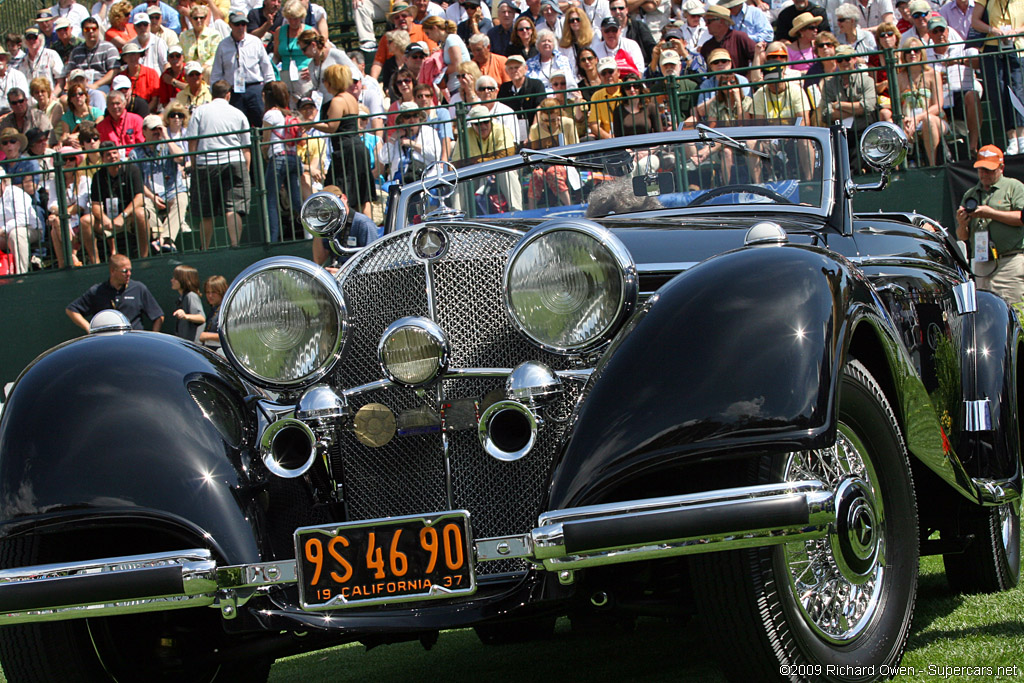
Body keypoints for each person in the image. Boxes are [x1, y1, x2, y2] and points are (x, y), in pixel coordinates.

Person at [187, 79, 251, 248]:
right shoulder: (238, 113)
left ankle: (205, 248)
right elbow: (246, 148)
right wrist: (246, 169)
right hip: (235, 161)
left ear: (211, 94)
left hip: (205, 163)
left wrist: (193, 164)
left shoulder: (200, 112)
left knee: (206, 212)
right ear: (228, 94)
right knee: (234, 207)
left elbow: (192, 141)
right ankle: (235, 244)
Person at [957, 145, 1024, 303]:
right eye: (981, 169)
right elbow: (962, 236)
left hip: (1009, 261)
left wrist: (990, 213)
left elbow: (1021, 218)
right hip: (982, 263)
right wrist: (962, 224)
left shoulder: (1014, 187)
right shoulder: (971, 194)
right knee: (986, 313)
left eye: (989, 169)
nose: (984, 174)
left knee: (1015, 308)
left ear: (1001, 167)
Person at [313, 65, 375, 217]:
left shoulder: (338, 101)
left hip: (346, 150)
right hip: (356, 147)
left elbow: (332, 127)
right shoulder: (351, 98)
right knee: (362, 195)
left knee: (336, 190)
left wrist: (309, 124)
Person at [972, 0, 1024, 154]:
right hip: (991, 49)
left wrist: (1016, 31)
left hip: (1017, 48)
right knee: (998, 92)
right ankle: (1012, 139)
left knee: (1018, 91)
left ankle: (1022, 138)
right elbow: (975, 21)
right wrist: (992, 30)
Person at [132, 113, 188, 253]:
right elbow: (137, 182)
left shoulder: (168, 146)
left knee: (182, 198)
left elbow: (181, 158)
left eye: (159, 128)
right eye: (153, 129)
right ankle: (163, 239)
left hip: (171, 191)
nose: (157, 132)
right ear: (144, 131)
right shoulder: (135, 153)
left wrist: (166, 136)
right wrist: (152, 197)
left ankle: (164, 239)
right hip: (150, 195)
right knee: (144, 206)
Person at [65, 254, 164, 331]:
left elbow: (159, 316)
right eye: (125, 271)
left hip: (134, 342)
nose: (129, 274)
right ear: (112, 271)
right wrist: (90, 329)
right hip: (108, 344)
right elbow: (71, 310)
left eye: (130, 270)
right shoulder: (97, 291)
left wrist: (152, 338)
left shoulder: (139, 288)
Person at [452, 104, 521, 211]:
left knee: (508, 172)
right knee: (459, 179)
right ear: (472, 125)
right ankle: (457, 216)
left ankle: (516, 210)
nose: (483, 126)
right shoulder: (464, 134)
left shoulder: (502, 130)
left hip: (498, 170)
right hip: (475, 173)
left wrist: (478, 161)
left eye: (486, 122)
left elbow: (507, 154)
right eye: (478, 123)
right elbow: (456, 163)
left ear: (491, 121)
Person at [929, 15, 982, 156]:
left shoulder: (962, 46)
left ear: (947, 31)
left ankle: (973, 147)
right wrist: (937, 79)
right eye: (935, 32)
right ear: (929, 35)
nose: (940, 34)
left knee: (973, 95)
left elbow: (978, 62)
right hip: (940, 98)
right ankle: (938, 158)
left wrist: (959, 61)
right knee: (932, 108)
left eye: (942, 30)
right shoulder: (925, 54)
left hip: (961, 92)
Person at [211, 11, 274, 126]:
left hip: (255, 89)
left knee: (261, 122)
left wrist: (270, 89)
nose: (241, 27)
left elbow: (266, 67)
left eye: (243, 24)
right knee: (237, 124)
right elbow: (217, 72)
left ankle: (262, 144)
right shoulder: (223, 46)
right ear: (230, 25)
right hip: (234, 91)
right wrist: (217, 94)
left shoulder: (255, 42)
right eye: (237, 24)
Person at [90, 140, 150, 257]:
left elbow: (140, 197)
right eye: (108, 154)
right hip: (108, 219)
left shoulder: (132, 169)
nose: (112, 156)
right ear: (102, 158)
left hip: (128, 216)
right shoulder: (98, 176)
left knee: (141, 213)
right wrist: (105, 219)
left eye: (114, 153)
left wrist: (123, 216)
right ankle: (94, 262)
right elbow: (95, 204)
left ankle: (144, 257)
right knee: (86, 221)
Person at [261, 81, 303, 241]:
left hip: (277, 157)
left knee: (271, 199)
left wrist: (264, 155)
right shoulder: (290, 114)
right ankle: (312, 233)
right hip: (293, 157)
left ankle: (273, 238)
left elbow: (265, 142)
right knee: (296, 200)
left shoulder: (270, 114)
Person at [897, 37, 946, 167]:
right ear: (904, 55)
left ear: (922, 53)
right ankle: (899, 171)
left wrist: (918, 118)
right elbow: (894, 106)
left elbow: (938, 105)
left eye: (916, 50)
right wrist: (904, 120)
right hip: (907, 120)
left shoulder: (933, 74)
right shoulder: (899, 77)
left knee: (929, 121)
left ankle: (933, 166)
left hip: (933, 120)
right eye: (908, 51)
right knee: (894, 126)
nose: (912, 53)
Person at [46, 145, 92, 266]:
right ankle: (71, 257)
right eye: (64, 159)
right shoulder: (54, 183)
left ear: (76, 161)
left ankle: (65, 261)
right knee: (57, 223)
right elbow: (52, 203)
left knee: (56, 224)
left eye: (71, 159)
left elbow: (80, 205)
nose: (68, 162)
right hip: (65, 222)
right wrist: (59, 214)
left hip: (80, 221)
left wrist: (60, 214)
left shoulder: (84, 180)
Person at [820, 44, 878, 135]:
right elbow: (825, 112)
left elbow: (868, 107)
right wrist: (857, 111)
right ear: (836, 62)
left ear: (854, 59)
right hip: (838, 133)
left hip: (863, 131)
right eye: (840, 60)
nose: (844, 62)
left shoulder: (867, 81)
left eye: (847, 59)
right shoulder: (829, 84)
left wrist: (839, 105)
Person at [381, 100, 441, 186]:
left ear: (419, 118)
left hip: (424, 179)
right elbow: (384, 158)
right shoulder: (397, 137)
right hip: (398, 181)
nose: (412, 119)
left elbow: (435, 155)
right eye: (407, 116)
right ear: (402, 120)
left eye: (415, 115)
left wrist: (411, 144)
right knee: (385, 188)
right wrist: (393, 138)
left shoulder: (428, 132)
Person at [0, 163, 45, 275]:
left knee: (16, 234)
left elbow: (22, 219)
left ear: (4, 182)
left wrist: (4, 229)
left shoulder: (15, 192)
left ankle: (21, 276)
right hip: (3, 235)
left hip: (29, 229)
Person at [64, 16, 119, 94]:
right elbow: (69, 73)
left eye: (94, 29)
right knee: (64, 98)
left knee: (97, 94)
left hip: (102, 85)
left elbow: (114, 71)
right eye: (87, 29)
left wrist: (96, 85)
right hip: (79, 87)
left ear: (98, 30)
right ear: (82, 32)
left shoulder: (109, 48)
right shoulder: (76, 52)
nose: (90, 32)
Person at [298, 29, 353, 106]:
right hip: (324, 104)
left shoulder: (334, 54)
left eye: (304, 49)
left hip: (341, 101)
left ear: (313, 45)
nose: (303, 53)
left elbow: (355, 73)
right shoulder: (311, 65)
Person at [423, 16, 471, 102]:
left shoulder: (451, 39)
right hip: (455, 87)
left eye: (428, 33)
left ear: (434, 28)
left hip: (460, 86)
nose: (428, 37)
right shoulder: (445, 42)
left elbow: (458, 65)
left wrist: (437, 71)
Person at [274, 0, 314, 102]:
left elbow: (319, 54)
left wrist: (312, 69)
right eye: (290, 19)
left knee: (305, 103)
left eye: (295, 19)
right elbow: (276, 55)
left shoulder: (310, 31)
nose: (293, 22)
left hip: (304, 74)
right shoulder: (280, 31)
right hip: (285, 74)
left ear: (301, 16)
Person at [498, 53, 546, 137]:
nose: (514, 70)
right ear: (507, 71)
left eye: (517, 67)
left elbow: (540, 108)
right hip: (512, 131)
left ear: (525, 68)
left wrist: (533, 133)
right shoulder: (504, 88)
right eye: (511, 68)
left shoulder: (536, 84)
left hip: (535, 129)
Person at [700, 4, 757, 70]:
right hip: (715, 80)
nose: (706, 25)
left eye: (709, 21)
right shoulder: (707, 46)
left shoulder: (740, 38)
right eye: (705, 21)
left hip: (740, 79)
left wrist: (750, 75)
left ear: (721, 21)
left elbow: (759, 55)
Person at [17, 27, 65, 97]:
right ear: (25, 41)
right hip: (30, 102)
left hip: (50, 99)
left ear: (40, 39)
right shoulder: (22, 62)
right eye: (28, 38)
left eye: (34, 38)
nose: (31, 41)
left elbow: (61, 81)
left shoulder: (51, 55)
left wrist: (53, 96)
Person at [612, 71, 662, 136]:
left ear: (640, 88)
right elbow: (618, 137)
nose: (632, 89)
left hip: (649, 145)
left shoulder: (651, 107)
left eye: (635, 86)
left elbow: (659, 132)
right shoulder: (618, 111)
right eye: (628, 87)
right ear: (623, 90)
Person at [119, 43, 161, 114]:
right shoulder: (120, 77)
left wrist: (143, 112)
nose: (133, 57)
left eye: (135, 54)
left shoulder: (151, 73)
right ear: (124, 59)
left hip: (147, 113)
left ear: (139, 55)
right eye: (129, 55)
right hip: (125, 114)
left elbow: (155, 100)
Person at [588, 56, 622, 138]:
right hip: (607, 139)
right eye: (604, 73)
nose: (608, 75)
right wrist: (609, 138)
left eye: (610, 71)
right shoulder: (596, 96)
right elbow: (594, 124)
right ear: (600, 77)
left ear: (618, 72)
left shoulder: (628, 89)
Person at [170, 264, 206, 342]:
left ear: (183, 280)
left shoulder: (191, 296)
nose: (172, 280)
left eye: (175, 278)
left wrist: (185, 316)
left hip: (194, 347)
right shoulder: (182, 298)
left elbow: (201, 318)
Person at [181, 4, 222, 68]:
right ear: (191, 19)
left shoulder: (214, 35)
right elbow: (181, 56)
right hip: (188, 68)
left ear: (205, 18)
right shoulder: (184, 36)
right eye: (195, 18)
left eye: (201, 18)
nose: (199, 20)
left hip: (206, 68)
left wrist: (202, 68)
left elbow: (215, 56)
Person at [559, 6, 594, 76]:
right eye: (571, 20)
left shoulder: (593, 38)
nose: (575, 22)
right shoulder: (563, 44)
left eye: (578, 19)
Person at [198, 274, 227, 349]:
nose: (210, 296)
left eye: (214, 292)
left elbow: (229, 336)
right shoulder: (213, 310)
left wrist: (207, 336)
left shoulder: (226, 311)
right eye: (208, 292)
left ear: (222, 292)